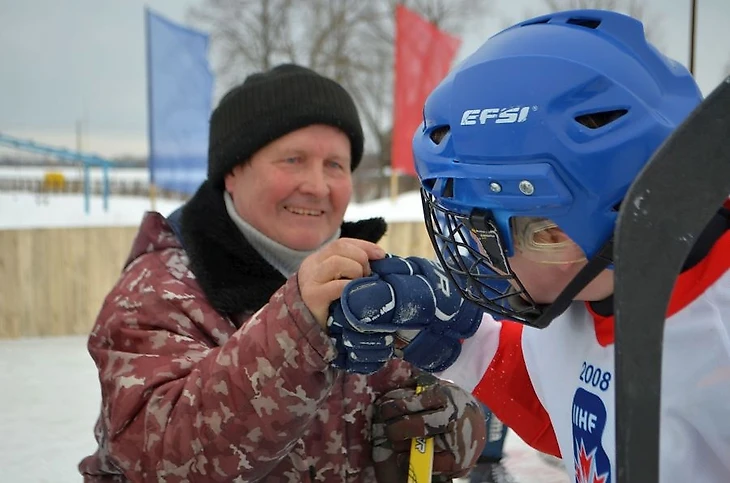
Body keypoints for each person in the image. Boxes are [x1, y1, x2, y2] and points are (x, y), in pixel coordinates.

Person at [325, 9, 730, 483]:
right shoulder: (593, 289)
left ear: (559, 234)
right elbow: (569, 406)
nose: (483, 256)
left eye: (489, 232)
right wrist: (454, 335)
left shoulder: (715, 342)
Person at [78, 63, 486, 482]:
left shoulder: (375, 281)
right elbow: (161, 460)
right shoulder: (159, 291)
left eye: (335, 165)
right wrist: (299, 323)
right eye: (293, 160)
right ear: (232, 172)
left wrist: (451, 429)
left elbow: (450, 407)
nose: (317, 185)